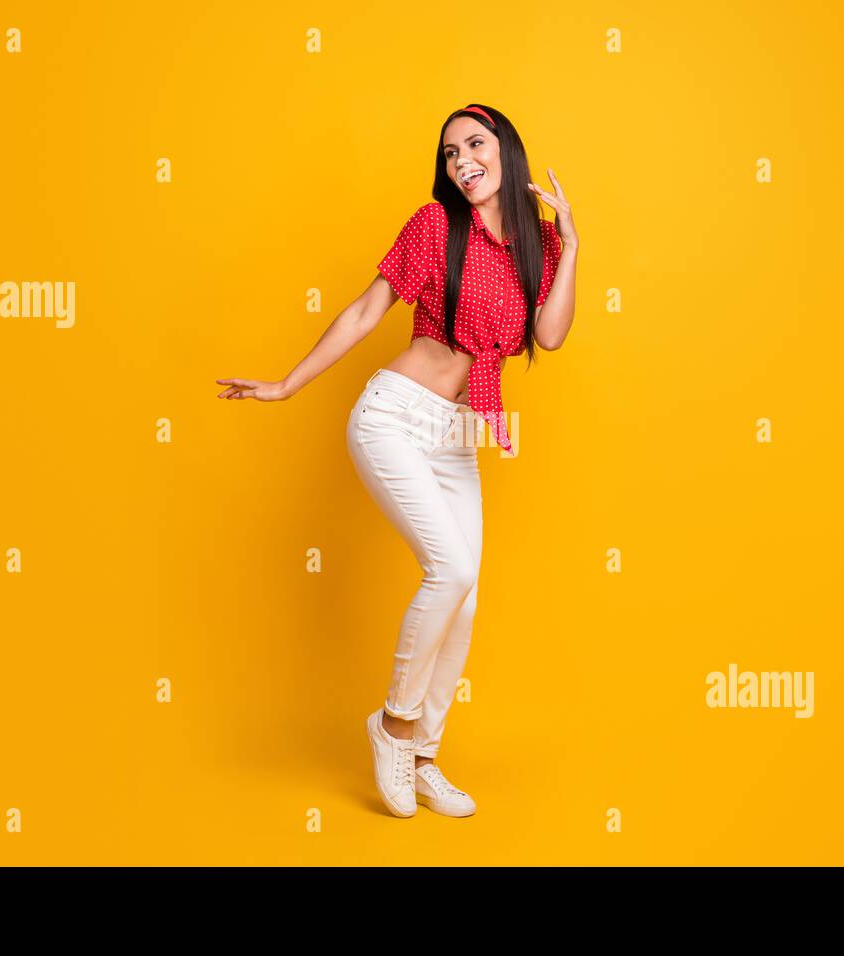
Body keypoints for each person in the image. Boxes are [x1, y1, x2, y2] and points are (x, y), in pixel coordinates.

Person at [216, 103, 579, 817]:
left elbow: (552, 333)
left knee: (465, 601)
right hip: (393, 416)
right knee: (452, 568)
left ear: (506, 150)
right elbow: (365, 309)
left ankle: (423, 757)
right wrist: (287, 384)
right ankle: (393, 724)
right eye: (449, 152)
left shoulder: (539, 247)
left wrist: (573, 241)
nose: (461, 161)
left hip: (460, 434)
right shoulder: (433, 226)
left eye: (474, 144)